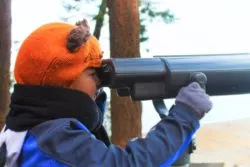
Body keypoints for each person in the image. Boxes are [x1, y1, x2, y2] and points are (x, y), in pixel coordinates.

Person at [0, 19, 212, 167]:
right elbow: (128, 164)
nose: (99, 81)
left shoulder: (25, 128)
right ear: (63, 80)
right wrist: (185, 115)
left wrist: (91, 105)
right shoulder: (55, 138)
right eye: (93, 74)